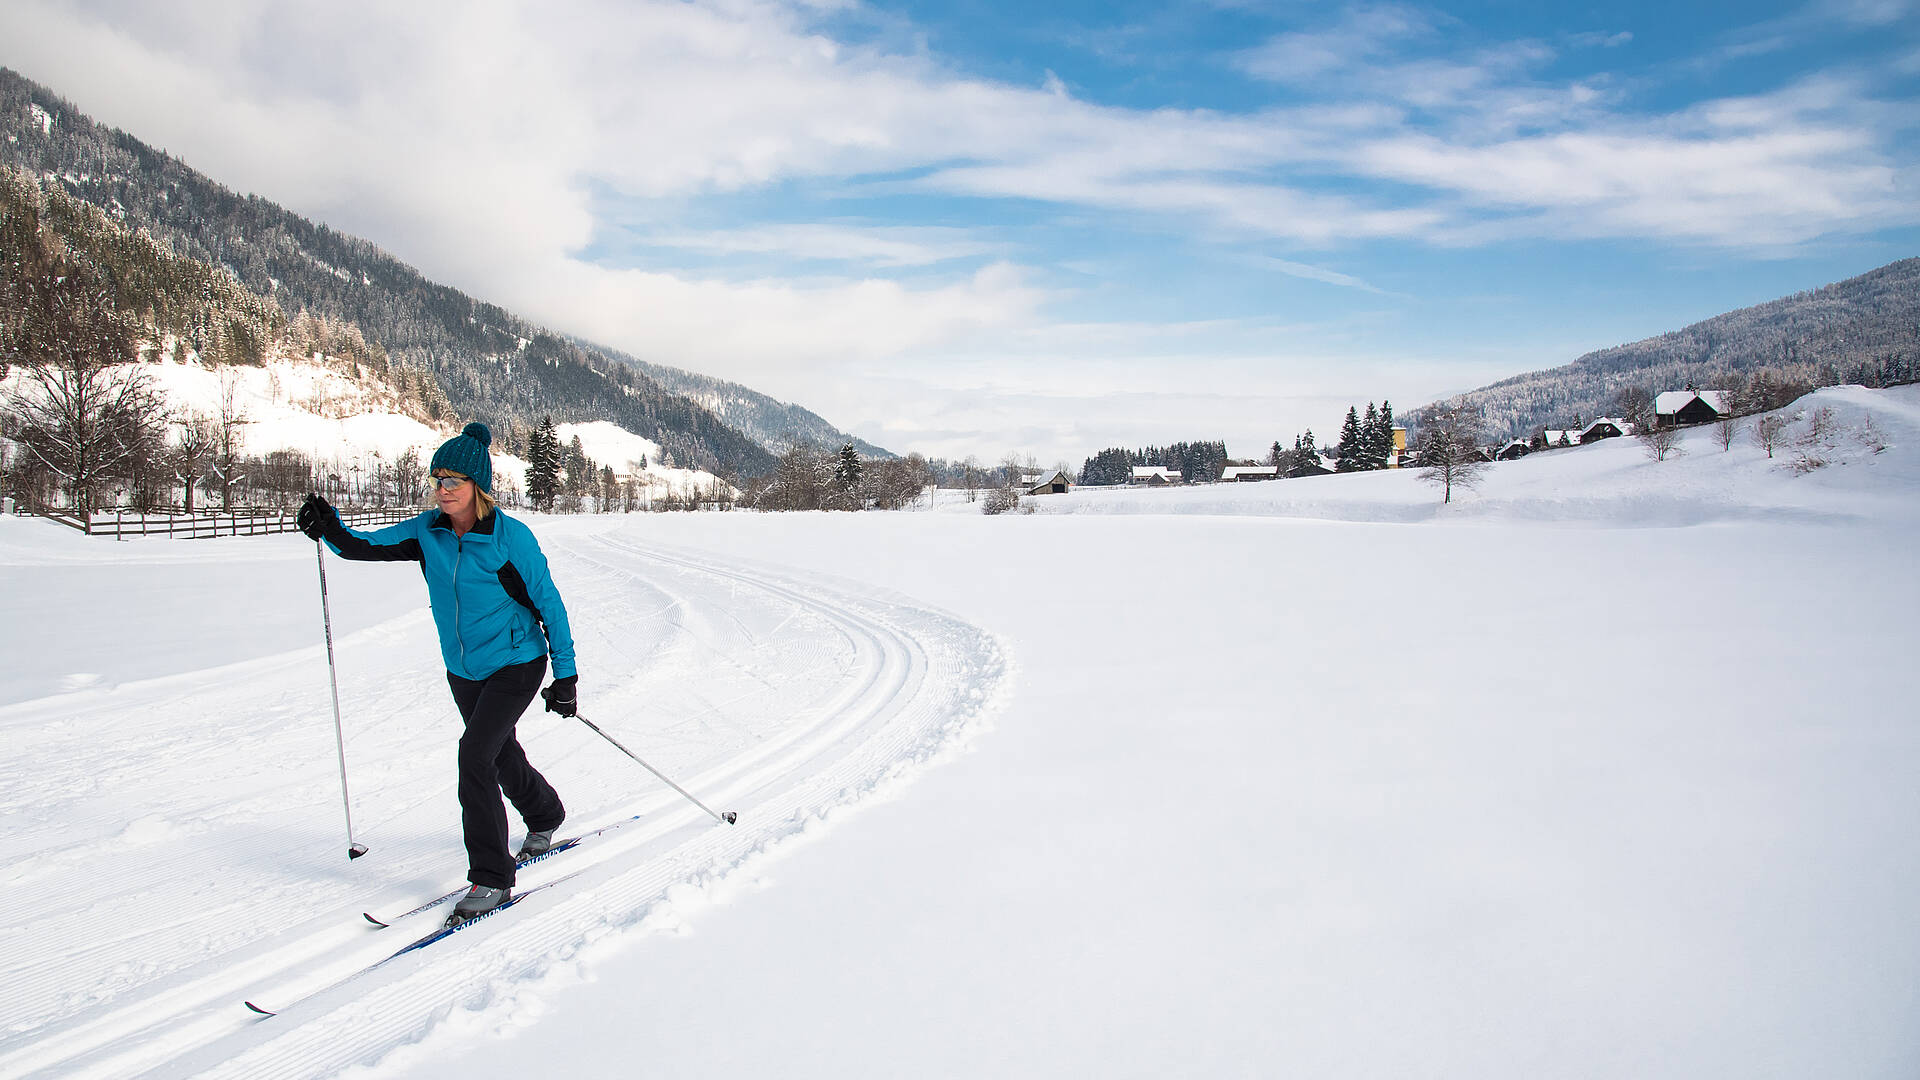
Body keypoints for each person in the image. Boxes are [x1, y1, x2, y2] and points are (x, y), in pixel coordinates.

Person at [298, 422, 578, 923]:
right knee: (496, 752)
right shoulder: (428, 532)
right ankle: (545, 814)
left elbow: (550, 606)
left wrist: (566, 676)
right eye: (438, 480)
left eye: (453, 481)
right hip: (464, 669)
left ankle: (492, 878)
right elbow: (367, 546)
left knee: (475, 754)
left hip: (517, 661)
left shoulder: (510, 538)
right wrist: (330, 528)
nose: (443, 490)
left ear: (478, 486)